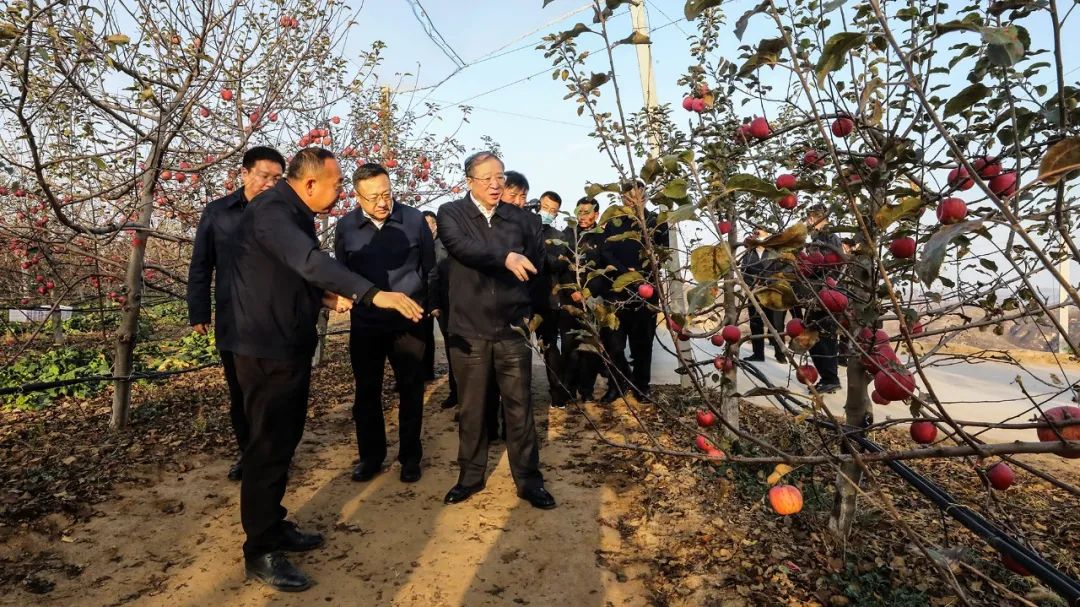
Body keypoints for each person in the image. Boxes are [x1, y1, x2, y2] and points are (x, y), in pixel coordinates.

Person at [221, 147, 424, 592]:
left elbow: (286, 274)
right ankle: (259, 550)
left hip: (285, 341)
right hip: (265, 345)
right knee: (268, 446)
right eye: (335, 186)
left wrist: (324, 297)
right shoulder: (274, 210)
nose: (338, 194)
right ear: (310, 183)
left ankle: (272, 525)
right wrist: (375, 294)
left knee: (284, 440)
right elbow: (308, 262)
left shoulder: (292, 212)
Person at [436, 151, 555, 510]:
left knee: (519, 407)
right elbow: (462, 248)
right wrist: (505, 257)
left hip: (510, 329)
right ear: (469, 181)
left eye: (500, 176)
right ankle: (469, 477)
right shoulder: (452, 213)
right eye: (486, 177)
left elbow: (538, 265)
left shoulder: (522, 220)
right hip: (469, 330)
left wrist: (526, 311)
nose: (494, 183)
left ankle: (529, 480)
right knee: (473, 409)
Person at [187, 146, 285, 481]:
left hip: (277, 320)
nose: (270, 184)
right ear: (244, 173)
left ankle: (274, 455)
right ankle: (249, 454)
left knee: (275, 395)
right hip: (236, 323)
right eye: (264, 176)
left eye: (277, 179)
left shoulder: (287, 214)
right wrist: (198, 309)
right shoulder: (219, 213)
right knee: (241, 394)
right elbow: (201, 264)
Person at [335, 163, 435, 484]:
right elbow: (343, 273)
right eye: (374, 196)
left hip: (409, 323)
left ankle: (410, 456)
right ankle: (371, 457)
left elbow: (430, 268)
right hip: (366, 323)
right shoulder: (345, 227)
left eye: (387, 194)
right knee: (367, 391)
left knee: (410, 389)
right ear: (357, 196)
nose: (382, 202)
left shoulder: (414, 220)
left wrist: (430, 305)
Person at [598, 180, 669, 404]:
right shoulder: (613, 222)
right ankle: (616, 385)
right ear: (621, 199)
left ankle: (642, 387)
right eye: (627, 198)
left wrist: (642, 272)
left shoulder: (655, 222)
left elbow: (663, 253)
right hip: (617, 292)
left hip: (645, 293)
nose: (632, 201)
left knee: (643, 344)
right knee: (614, 344)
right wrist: (624, 272)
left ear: (645, 196)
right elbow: (605, 252)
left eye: (637, 196)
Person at [558, 197, 605, 403]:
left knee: (591, 348)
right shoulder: (568, 235)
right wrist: (572, 291)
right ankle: (568, 388)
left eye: (588, 212)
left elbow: (604, 270)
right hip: (570, 301)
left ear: (596, 214)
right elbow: (562, 266)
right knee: (568, 346)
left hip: (593, 301)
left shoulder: (601, 237)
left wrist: (588, 292)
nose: (583, 216)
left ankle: (587, 390)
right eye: (580, 212)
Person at [534, 191, 572, 408]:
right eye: (545, 207)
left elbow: (559, 264)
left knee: (548, 346)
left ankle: (558, 394)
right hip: (518, 298)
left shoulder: (559, 237)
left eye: (552, 210)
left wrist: (535, 254)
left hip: (547, 298)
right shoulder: (523, 229)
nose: (547, 213)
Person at [805, 204, 843, 393]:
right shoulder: (822, 238)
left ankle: (830, 378)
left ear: (814, 218)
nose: (807, 223)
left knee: (824, 338)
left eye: (809, 219)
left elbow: (831, 266)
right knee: (818, 337)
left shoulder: (828, 238)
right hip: (820, 294)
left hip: (825, 296)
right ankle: (828, 377)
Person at [741, 227, 787, 363]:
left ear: (767, 235)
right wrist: (752, 285)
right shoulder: (749, 254)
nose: (756, 232)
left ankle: (781, 354)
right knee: (756, 324)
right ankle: (758, 354)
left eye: (759, 230)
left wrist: (768, 282)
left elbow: (782, 270)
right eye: (754, 230)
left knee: (776, 324)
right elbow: (744, 271)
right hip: (754, 293)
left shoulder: (774, 252)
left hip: (772, 293)